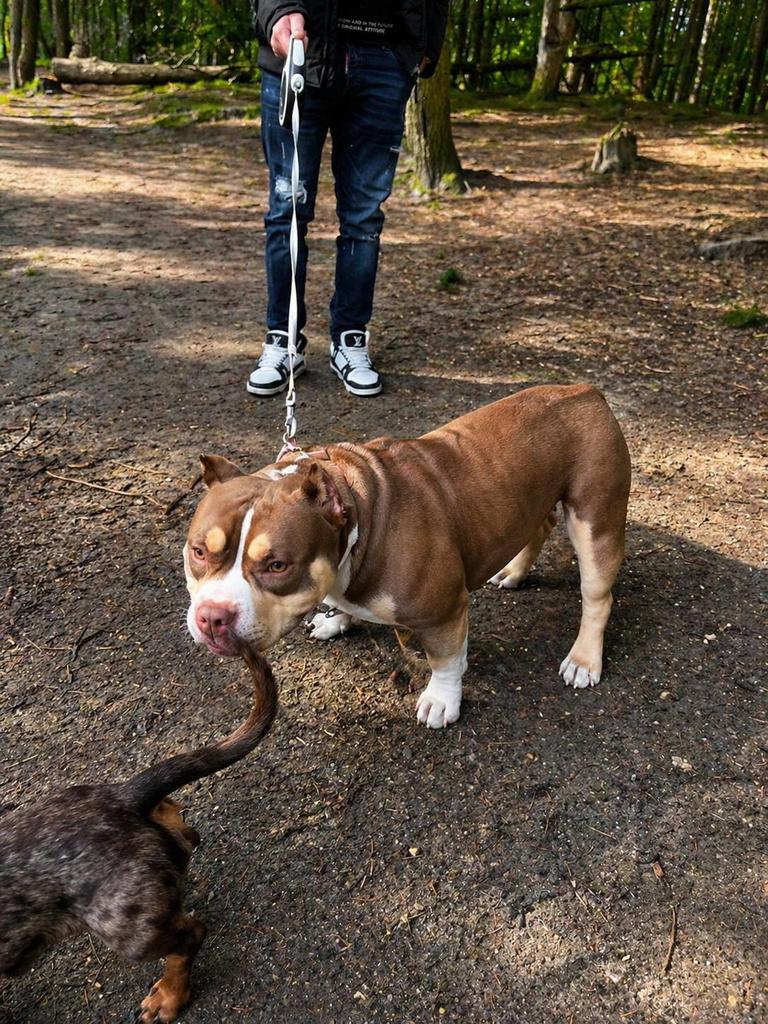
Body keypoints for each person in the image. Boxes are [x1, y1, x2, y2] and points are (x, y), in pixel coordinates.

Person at [248, 1, 449, 398]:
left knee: (364, 217)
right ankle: (283, 340)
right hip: (300, 50)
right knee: (287, 208)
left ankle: (350, 339)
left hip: (384, 57)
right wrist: (278, 10)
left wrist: (425, 42)